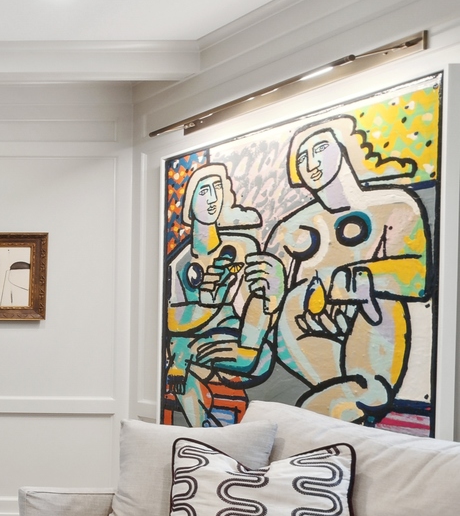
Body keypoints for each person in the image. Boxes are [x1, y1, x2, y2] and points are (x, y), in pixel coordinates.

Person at [261, 117, 428, 424]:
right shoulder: (290, 228)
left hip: (372, 322)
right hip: (306, 331)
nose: (311, 162)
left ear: (343, 148)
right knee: (349, 394)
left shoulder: (394, 204)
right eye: (302, 157)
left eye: (320, 148)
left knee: (363, 390)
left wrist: (358, 280)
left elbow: (417, 278)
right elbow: (268, 296)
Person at [165, 163, 269, 426]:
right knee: (178, 360)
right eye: (203, 191)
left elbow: (260, 300)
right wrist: (208, 304)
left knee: (183, 355)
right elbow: (171, 321)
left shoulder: (243, 246)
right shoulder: (180, 262)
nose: (212, 198)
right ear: (189, 202)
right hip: (193, 347)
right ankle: (207, 434)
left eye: (217, 189)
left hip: (239, 338)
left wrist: (249, 347)